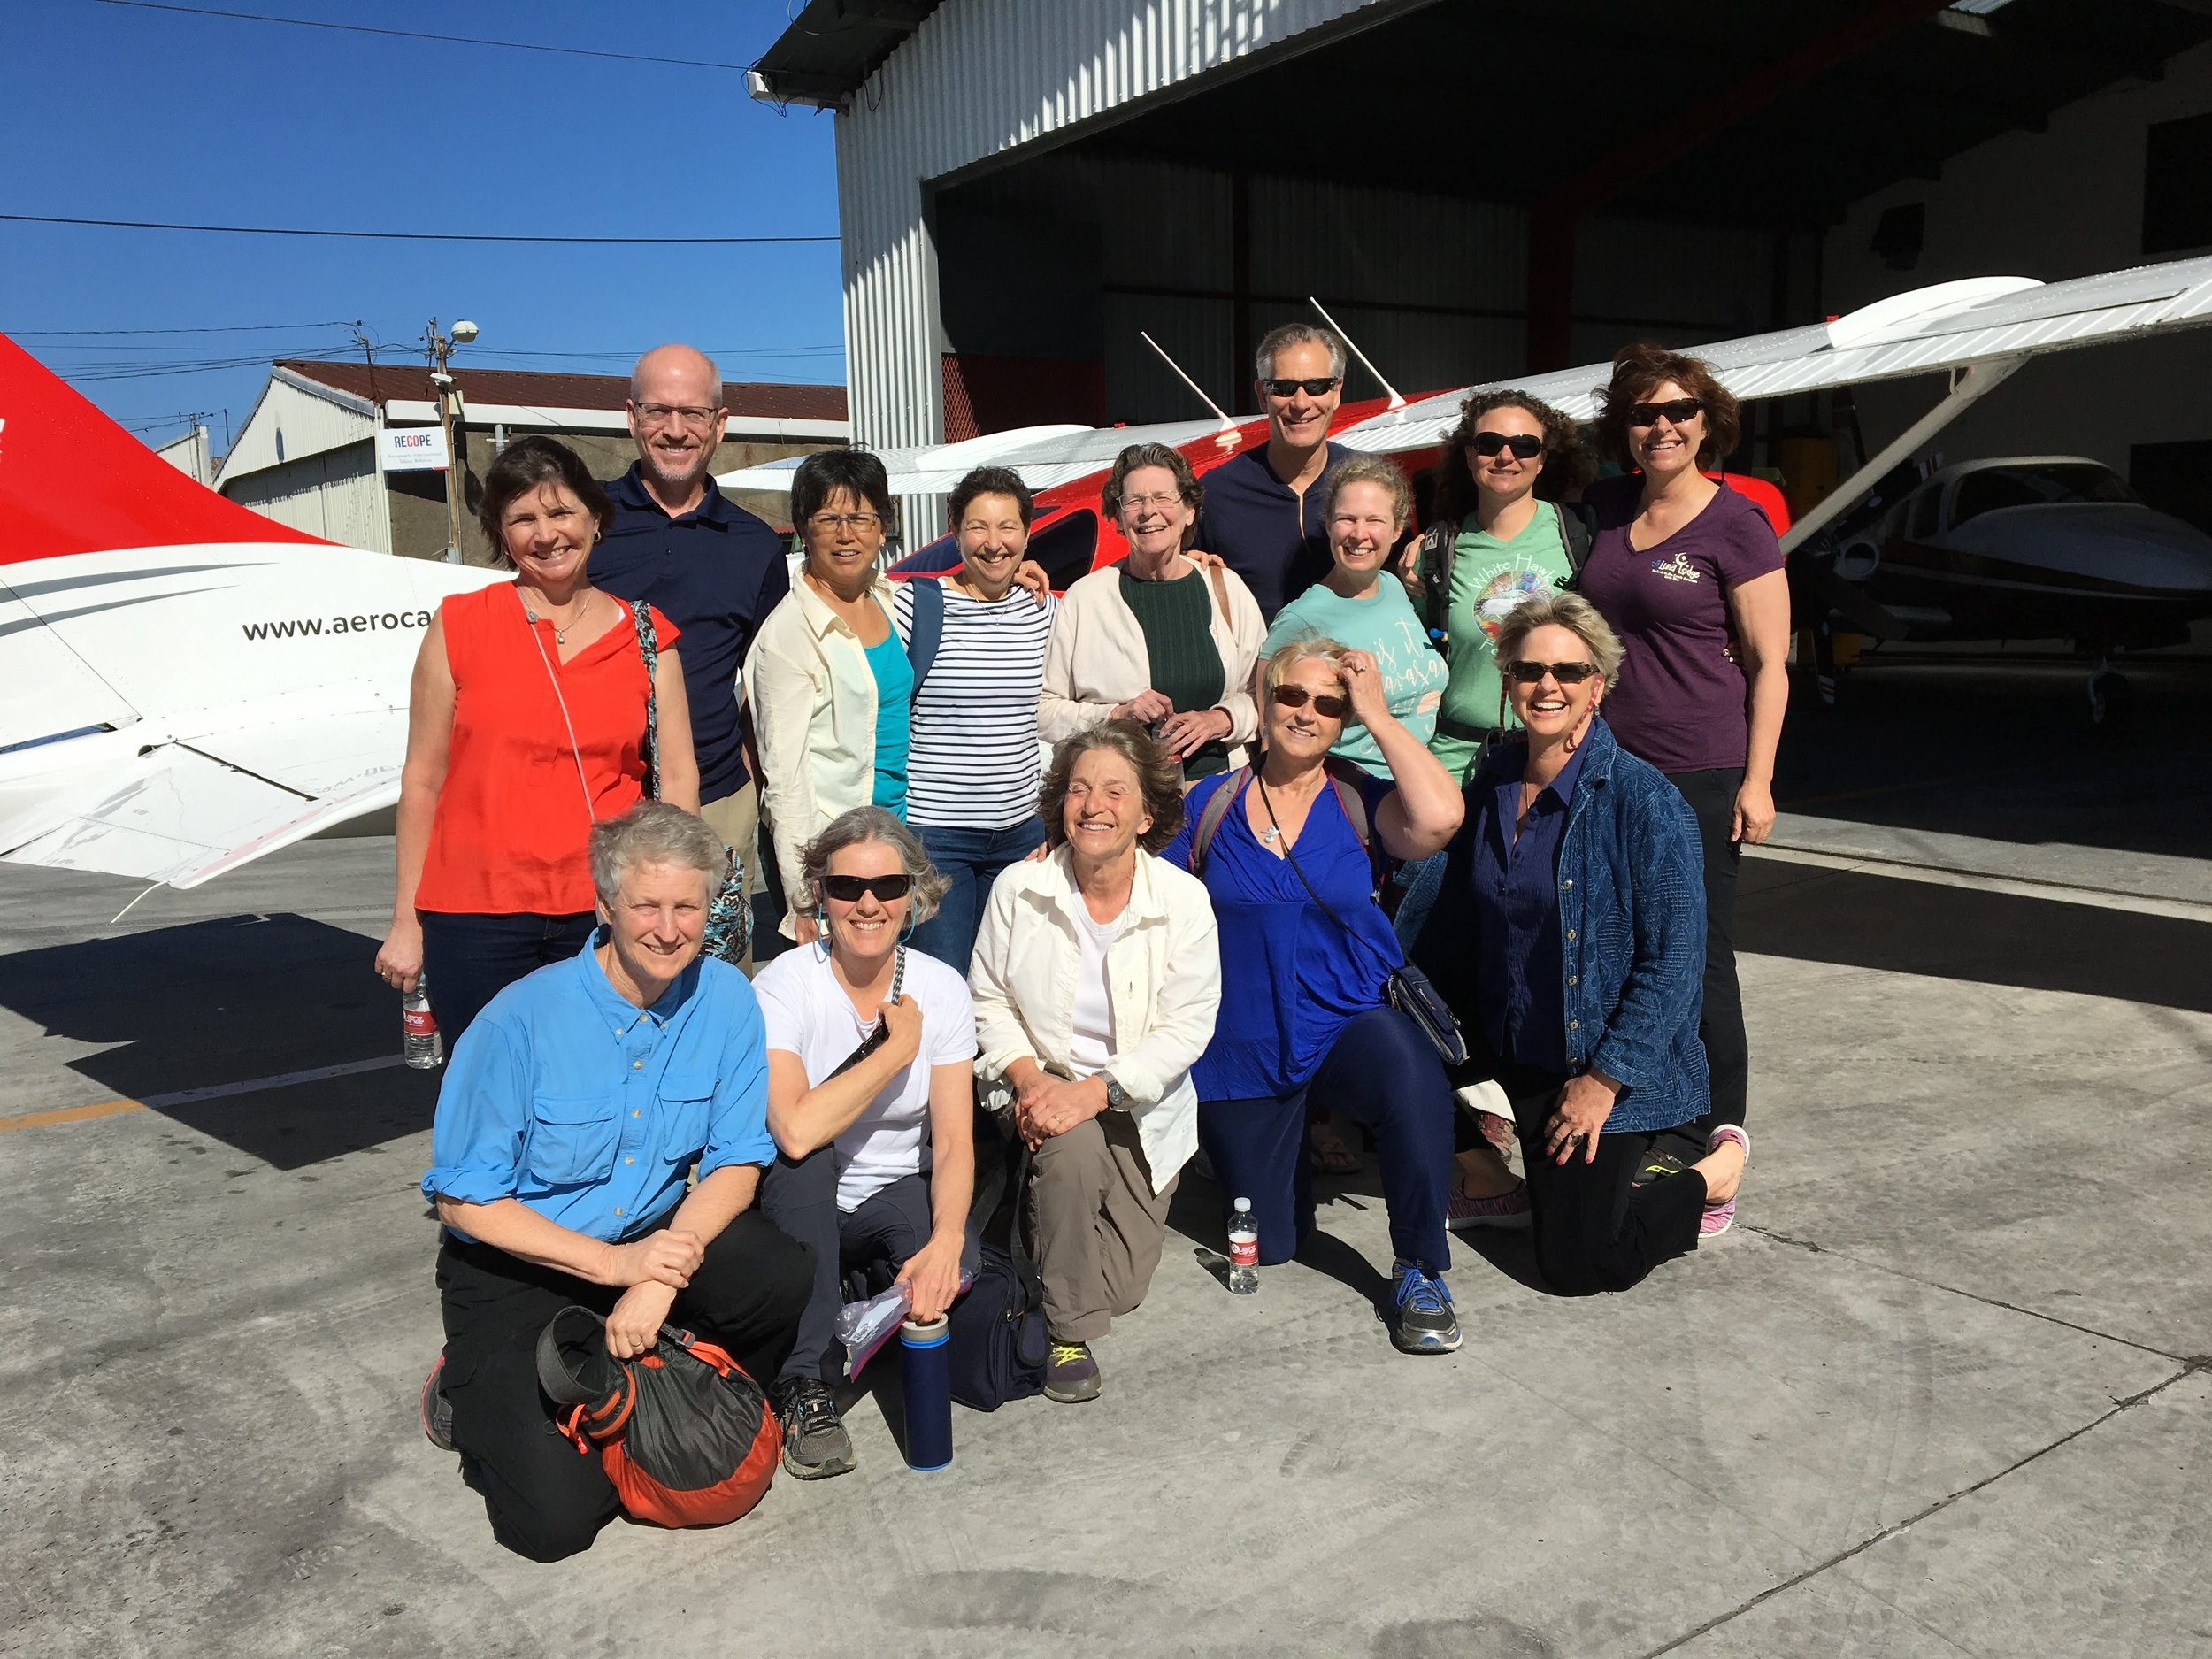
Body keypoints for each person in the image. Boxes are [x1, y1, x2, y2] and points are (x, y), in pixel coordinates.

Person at [418, 802, 811, 1562]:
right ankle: (467, 1393)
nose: (669, 929)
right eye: (648, 905)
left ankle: (651, 1372)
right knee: (558, 1523)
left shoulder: (725, 998)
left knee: (780, 1274)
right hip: (521, 1262)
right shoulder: (516, 1024)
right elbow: (462, 1198)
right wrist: (619, 1268)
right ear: (605, 905)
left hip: (651, 1242)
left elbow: (736, 1158)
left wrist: (662, 1271)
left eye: (688, 906)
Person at [1411, 594, 1744, 1293]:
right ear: (1507, 681)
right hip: (1509, 1040)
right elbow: (1443, 907)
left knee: (1583, 1265)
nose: (1547, 685)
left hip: (1589, 1060)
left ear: (1599, 684)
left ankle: (1709, 1173)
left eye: (1569, 669)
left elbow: (1676, 962)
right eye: (1530, 670)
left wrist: (1601, 1083)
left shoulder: (1643, 801)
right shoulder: (1491, 780)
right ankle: (1482, 1168)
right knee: (1373, 1031)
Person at [1162, 638, 1466, 1353]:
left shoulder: (1358, 797)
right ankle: (1251, 1146)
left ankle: (1421, 1266)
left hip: (1345, 1016)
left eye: (1328, 705)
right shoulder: (1209, 803)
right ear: (1264, 699)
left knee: (1410, 1074)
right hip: (1244, 1037)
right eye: (1293, 695)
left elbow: (1441, 819)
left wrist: (1379, 715)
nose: (1306, 713)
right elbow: (1151, 903)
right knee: (1272, 1243)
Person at [374, 436, 697, 1046]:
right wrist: (405, 922)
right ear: (501, 533)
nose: (546, 534)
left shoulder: (649, 636)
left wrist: (671, 900)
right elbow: (422, 780)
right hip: (475, 916)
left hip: (606, 908)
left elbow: (678, 778)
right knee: (491, 1094)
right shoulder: (459, 625)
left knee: (602, 1088)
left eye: (561, 512)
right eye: (523, 518)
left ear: (595, 518)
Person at [1576, 345, 1784, 1233]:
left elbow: (1772, 662)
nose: (1662, 427)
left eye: (1679, 411)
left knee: (1697, 955)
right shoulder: (1606, 509)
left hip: (1699, 769)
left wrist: (1759, 778)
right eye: (1643, 413)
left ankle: (1711, 1140)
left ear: (1707, 421)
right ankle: (1644, 1113)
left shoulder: (1735, 523)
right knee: (1619, 946)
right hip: (1608, 769)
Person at [969, 724, 1221, 1403]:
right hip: (1039, 1089)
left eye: (1115, 790)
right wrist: (1028, 1080)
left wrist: (1099, 1089)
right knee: (1071, 1146)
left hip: (1141, 1103)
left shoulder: (1183, 901)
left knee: (1127, 1287)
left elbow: (1187, 1026)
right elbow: (988, 1000)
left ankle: (1042, 1237)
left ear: (1147, 813)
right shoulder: (1019, 889)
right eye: (1079, 788)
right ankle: (1067, 1334)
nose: (1093, 805)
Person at [753, 807, 976, 1479]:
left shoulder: (942, 987)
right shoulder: (785, 982)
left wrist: (945, 1242)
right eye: (847, 886)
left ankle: (855, 1303)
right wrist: (894, 1048)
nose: (869, 903)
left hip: (889, 1189)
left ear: (915, 894)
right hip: (796, 1199)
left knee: (952, 1287)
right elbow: (792, 1125)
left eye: (888, 885)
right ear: (820, 892)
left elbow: (958, 1141)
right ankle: (803, 1384)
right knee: (804, 1158)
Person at [590, 344, 791, 971]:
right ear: (631, 416)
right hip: (601, 794)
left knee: (719, 971)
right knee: (603, 976)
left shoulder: (755, 545)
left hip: (716, 798)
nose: (675, 430)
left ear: (720, 424)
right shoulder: (584, 522)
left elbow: (770, 681)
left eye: (693, 414)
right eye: (658, 411)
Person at [744, 449, 912, 948]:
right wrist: (804, 896)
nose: (846, 534)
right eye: (828, 519)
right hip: (838, 861)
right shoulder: (790, 634)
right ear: (802, 528)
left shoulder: (886, 600)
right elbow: (785, 777)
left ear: (883, 527)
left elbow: (957, 588)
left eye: (861, 518)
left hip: (894, 839)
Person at [898, 466, 1056, 972]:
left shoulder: (1045, 610)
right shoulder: (914, 606)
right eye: (978, 527)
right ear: (954, 528)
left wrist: (1196, 560)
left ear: (1027, 533)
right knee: (942, 980)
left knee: (1011, 982)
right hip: (937, 836)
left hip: (1022, 836)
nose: (994, 544)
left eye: (1008, 527)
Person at [1039, 442, 1265, 782]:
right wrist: (1116, 714)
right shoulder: (1085, 599)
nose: (1148, 511)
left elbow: (1264, 696)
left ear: (1189, 510)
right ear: (1117, 518)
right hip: (1120, 797)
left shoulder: (1226, 590)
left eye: (1163, 497)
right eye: (1134, 501)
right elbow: (1044, 711)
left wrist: (1221, 720)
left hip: (1217, 794)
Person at [1407, 390, 1594, 786]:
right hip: (1455, 760)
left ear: (1542, 460)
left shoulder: (1579, 536)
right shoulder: (1438, 550)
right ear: (1469, 454)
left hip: (1555, 755)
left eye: (1525, 446)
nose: (1506, 456)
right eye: (1489, 444)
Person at [1263, 456, 1445, 775]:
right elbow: (1271, 735)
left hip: (1422, 778)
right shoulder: (1300, 619)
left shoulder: (1394, 587)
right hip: (1355, 795)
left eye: (1375, 520)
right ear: (1329, 525)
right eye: (1347, 519)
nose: (1359, 534)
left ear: (1396, 530)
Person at [1193, 323, 1353, 620]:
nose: (1301, 404)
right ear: (1262, 395)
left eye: (1317, 386)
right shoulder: (1215, 494)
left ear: (1337, 392)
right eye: (1283, 388)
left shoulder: (1370, 482)